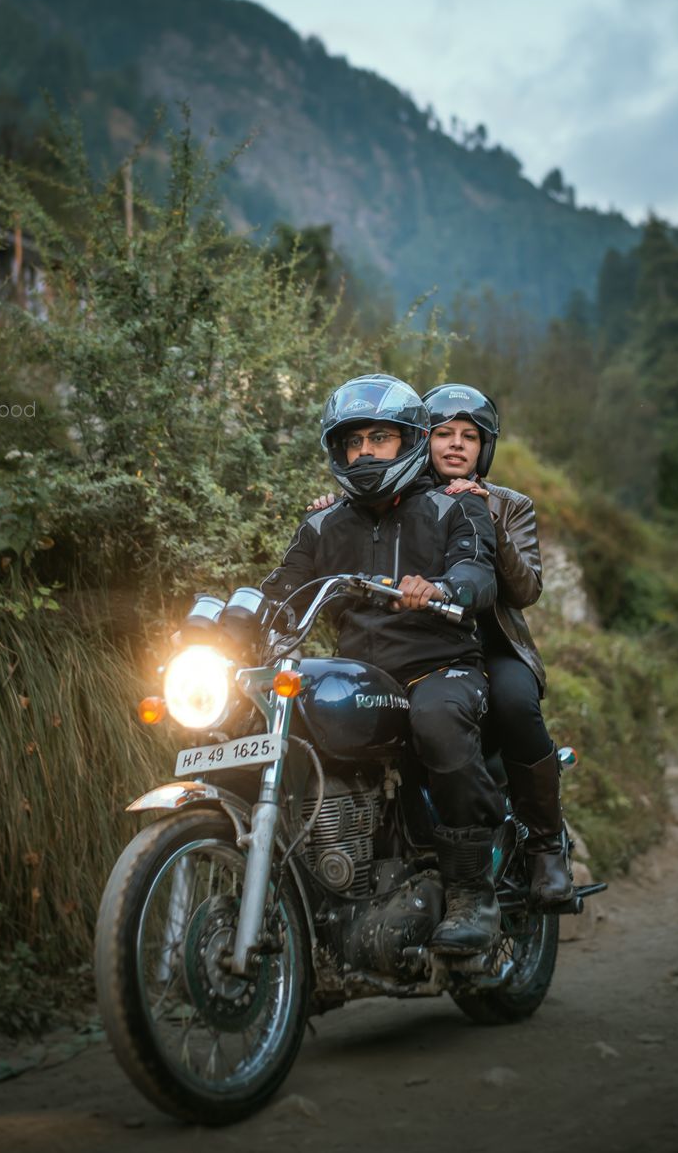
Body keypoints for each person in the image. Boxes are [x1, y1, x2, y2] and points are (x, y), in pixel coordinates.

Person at [263, 372, 505, 954]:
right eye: (354, 442)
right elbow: (280, 589)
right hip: (362, 678)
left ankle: (472, 893)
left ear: (409, 440)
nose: (365, 453)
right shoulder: (323, 523)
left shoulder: (454, 506)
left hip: (439, 668)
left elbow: (477, 573)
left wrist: (444, 587)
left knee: (437, 719)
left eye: (379, 438)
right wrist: (229, 620)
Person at [421, 384, 573, 906]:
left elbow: (526, 590)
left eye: (469, 437)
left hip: (496, 645)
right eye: (444, 434)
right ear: (424, 440)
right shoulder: (406, 499)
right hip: (427, 645)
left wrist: (489, 520)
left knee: (514, 704)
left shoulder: (512, 504)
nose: (456, 445)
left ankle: (546, 845)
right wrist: (332, 506)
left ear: (484, 448)